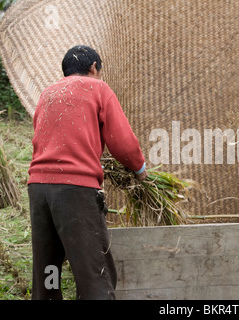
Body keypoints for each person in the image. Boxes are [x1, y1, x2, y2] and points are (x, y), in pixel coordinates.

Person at [28, 45, 147, 300]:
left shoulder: (47, 93)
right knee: (95, 274)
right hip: (75, 192)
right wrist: (139, 168)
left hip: (39, 190)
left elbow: (42, 138)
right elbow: (121, 141)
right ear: (94, 68)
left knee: (49, 269)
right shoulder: (97, 88)